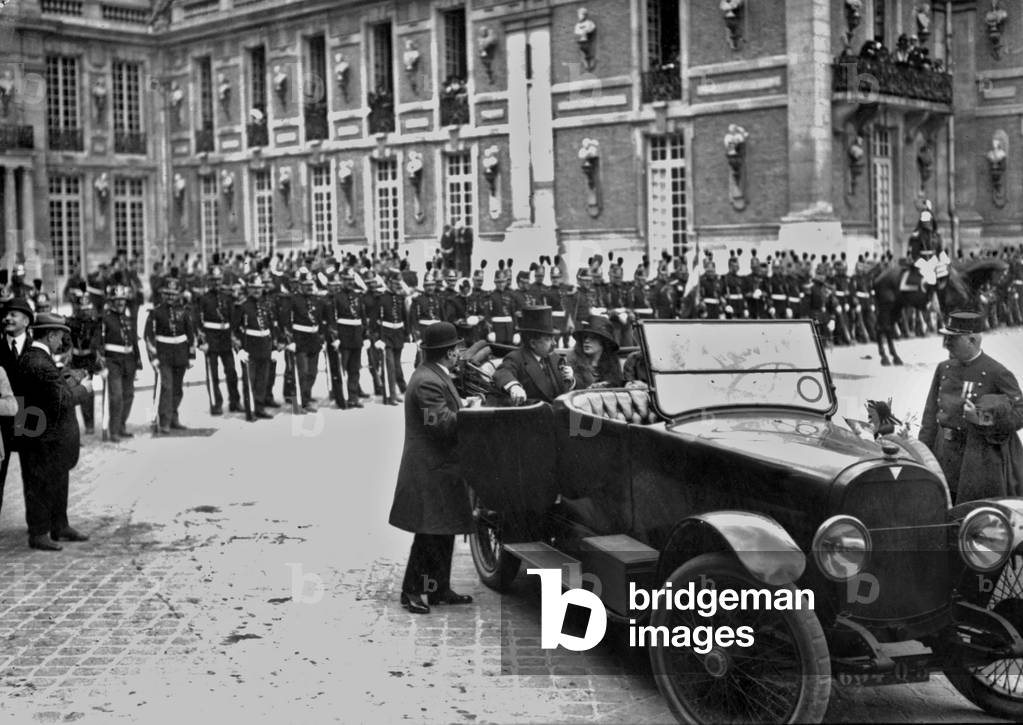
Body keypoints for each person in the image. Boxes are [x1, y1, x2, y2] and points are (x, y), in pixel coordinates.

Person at [388, 321, 480, 614]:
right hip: (430, 470)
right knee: (429, 534)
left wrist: (462, 403)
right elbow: (439, 424)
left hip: (438, 468)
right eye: (457, 349)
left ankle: (438, 589)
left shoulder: (431, 374)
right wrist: (470, 412)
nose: (459, 353)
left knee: (443, 531)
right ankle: (412, 591)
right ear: (449, 353)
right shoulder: (428, 381)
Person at [919, 312, 1023, 503]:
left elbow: (1020, 413)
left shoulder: (996, 372)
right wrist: (922, 453)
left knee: (971, 514)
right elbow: (930, 416)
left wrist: (981, 417)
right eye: (945, 337)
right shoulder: (944, 368)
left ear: (972, 339)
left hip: (976, 461)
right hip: (942, 453)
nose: (946, 344)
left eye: (952, 338)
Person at [18, 312, 93, 551]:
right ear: (50, 336)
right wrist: (84, 388)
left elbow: (53, 390)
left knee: (57, 476)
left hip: (42, 431)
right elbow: (62, 399)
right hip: (42, 434)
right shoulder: (39, 361)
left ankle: (59, 525)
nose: (62, 342)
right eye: (60, 336)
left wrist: (67, 380)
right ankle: (39, 532)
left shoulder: (36, 357)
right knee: (39, 481)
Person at [143, 277, 196, 433]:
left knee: (178, 389)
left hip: (180, 355)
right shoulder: (155, 312)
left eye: (174, 294)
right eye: (168, 294)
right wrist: (153, 359)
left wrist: (191, 356)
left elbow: (191, 335)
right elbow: (148, 337)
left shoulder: (184, 312)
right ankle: (163, 421)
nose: (171, 297)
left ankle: (174, 418)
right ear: (163, 295)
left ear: (178, 294)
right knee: (166, 387)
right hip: (163, 356)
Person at [493, 306, 575, 404]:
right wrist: (513, 387)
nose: (554, 343)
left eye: (553, 338)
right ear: (533, 343)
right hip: (534, 415)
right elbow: (503, 372)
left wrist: (571, 379)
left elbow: (567, 391)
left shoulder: (555, 359)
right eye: (548, 339)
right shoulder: (516, 358)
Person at [94, 285, 142, 441]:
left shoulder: (128, 319)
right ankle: (113, 430)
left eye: (122, 299)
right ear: (111, 302)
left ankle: (121, 426)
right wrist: (101, 365)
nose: (120, 302)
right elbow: (97, 343)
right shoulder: (105, 319)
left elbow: (134, 340)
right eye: (117, 300)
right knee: (116, 396)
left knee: (129, 395)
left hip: (129, 362)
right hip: (112, 362)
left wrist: (138, 360)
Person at [0, 297, 33, 518]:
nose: (8, 318)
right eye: (7, 314)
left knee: (33, 474)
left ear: (27, 321)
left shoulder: (36, 347)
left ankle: (38, 526)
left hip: (30, 416)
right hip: (2, 419)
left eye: (14, 314)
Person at [567, 315, 623, 389]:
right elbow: (574, 385)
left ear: (603, 341)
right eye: (585, 337)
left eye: (592, 337)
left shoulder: (612, 363)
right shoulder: (574, 360)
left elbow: (617, 385)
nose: (586, 340)